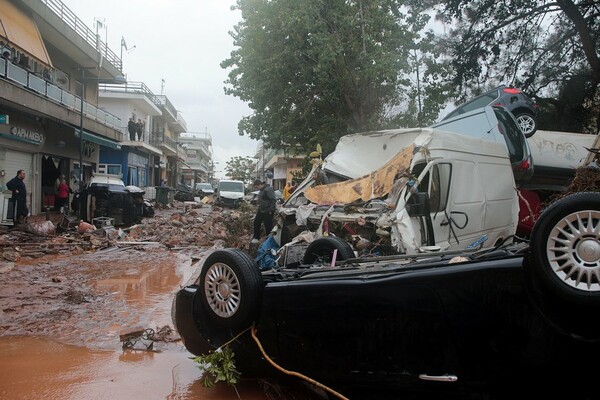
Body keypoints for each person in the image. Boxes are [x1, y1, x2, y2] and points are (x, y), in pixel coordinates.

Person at [251, 179, 276, 244]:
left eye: (257, 187)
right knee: (256, 222)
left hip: (268, 210)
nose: (257, 188)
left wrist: (271, 210)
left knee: (268, 225)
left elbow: (273, 200)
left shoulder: (268, 189)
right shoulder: (261, 190)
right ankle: (256, 237)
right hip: (261, 209)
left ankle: (269, 240)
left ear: (260, 184)